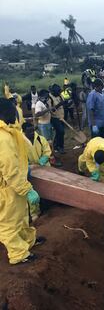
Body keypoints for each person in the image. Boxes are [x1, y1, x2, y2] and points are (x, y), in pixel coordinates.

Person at [0, 98, 44, 264]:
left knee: (21, 217)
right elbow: (10, 171)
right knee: (8, 223)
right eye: (12, 111)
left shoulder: (10, 132)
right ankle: (18, 255)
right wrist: (26, 189)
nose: (16, 114)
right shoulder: (2, 138)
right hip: (6, 189)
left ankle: (28, 241)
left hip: (14, 187)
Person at [22, 122, 51, 221]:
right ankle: (35, 214)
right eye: (29, 132)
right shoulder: (21, 142)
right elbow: (20, 158)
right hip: (29, 169)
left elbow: (47, 151)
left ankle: (48, 203)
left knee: (48, 187)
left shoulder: (40, 139)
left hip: (44, 167)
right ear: (24, 132)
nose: (32, 133)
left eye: (32, 131)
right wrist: (29, 166)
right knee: (32, 193)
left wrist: (43, 159)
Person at [48, 84, 66, 154]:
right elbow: (51, 110)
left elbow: (63, 104)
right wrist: (59, 104)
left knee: (59, 132)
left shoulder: (60, 95)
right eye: (57, 92)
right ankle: (60, 147)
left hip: (61, 117)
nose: (59, 93)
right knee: (61, 131)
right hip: (54, 118)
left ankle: (56, 146)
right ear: (53, 91)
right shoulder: (49, 98)